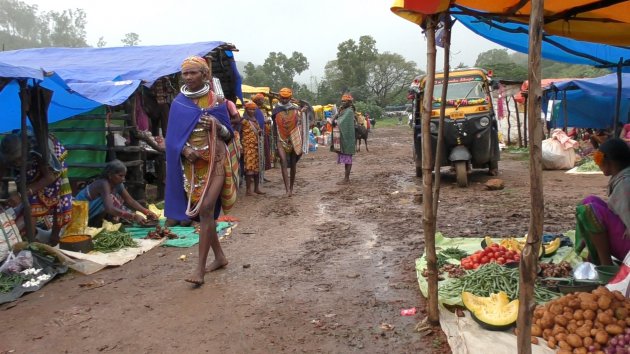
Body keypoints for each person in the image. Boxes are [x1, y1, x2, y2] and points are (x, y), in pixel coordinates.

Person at [164, 55, 234, 285]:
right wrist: (184, 150)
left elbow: (229, 133)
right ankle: (220, 257)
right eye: (185, 73)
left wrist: (217, 125)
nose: (189, 77)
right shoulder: (179, 103)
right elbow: (172, 138)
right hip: (193, 167)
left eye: (193, 72)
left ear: (204, 74)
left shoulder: (217, 100)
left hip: (217, 161)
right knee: (204, 214)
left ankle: (199, 271)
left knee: (205, 209)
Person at [0, 131, 72, 246]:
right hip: (32, 164)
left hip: (51, 168)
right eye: (14, 161)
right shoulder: (5, 155)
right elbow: (5, 178)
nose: (17, 163)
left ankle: (49, 238)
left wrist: (22, 194)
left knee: (36, 200)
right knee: (29, 200)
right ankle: (30, 238)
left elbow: (50, 177)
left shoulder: (40, 148)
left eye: (19, 159)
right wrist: (12, 192)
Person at [575, 138, 630, 266]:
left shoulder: (625, 183)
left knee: (591, 211)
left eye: (598, 159)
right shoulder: (621, 178)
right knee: (589, 201)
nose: (597, 164)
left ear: (608, 160)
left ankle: (605, 264)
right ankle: (592, 254)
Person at [75, 159, 158, 227]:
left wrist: (146, 212)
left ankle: (98, 223)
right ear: (110, 175)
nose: (123, 179)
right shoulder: (103, 184)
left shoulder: (117, 184)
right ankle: (94, 224)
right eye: (120, 176)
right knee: (111, 199)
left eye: (124, 176)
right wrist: (133, 216)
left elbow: (130, 200)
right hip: (78, 214)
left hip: (89, 212)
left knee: (115, 198)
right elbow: (109, 208)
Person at [271, 87, 303, 197]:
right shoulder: (276, 110)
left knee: (293, 163)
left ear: (290, 97)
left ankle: (291, 188)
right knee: (283, 162)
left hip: (293, 138)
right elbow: (274, 126)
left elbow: (300, 123)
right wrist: (274, 141)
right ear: (279, 97)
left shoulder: (295, 109)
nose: (284, 100)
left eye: (286, 98)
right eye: (282, 98)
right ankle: (287, 190)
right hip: (280, 139)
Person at [241, 101, 266, 196]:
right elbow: (239, 133)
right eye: (250, 109)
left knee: (257, 169)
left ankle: (256, 188)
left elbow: (257, 131)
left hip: (257, 147)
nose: (252, 111)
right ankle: (248, 190)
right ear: (246, 110)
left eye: (253, 109)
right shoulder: (243, 120)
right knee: (249, 169)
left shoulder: (255, 119)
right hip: (248, 148)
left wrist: (259, 131)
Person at [332, 93, 356, 184]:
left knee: (348, 158)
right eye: (342, 101)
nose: (342, 102)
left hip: (348, 138)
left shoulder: (349, 111)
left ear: (349, 102)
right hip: (344, 137)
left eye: (344, 101)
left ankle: (346, 179)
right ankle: (346, 178)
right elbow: (334, 121)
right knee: (346, 159)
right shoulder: (344, 111)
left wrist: (335, 119)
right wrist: (338, 113)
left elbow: (339, 122)